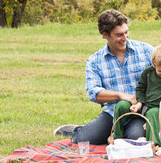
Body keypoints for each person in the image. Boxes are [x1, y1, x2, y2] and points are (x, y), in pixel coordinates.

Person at [54, 9, 154, 144]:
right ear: (105, 35)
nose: (125, 37)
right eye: (119, 35)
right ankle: (77, 130)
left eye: (126, 32)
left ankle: (121, 133)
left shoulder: (146, 51)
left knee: (134, 139)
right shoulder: (95, 61)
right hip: (112, 112)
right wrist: (120, 96)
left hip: (139, 112)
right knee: (84, 139)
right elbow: (93, 93)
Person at [112, 44, 161, 146]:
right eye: (160, 71)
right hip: (143, 104)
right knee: (121, 106)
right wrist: (139, 103)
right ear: (154, 65)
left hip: (157, 108)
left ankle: (153, 144)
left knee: (153, 113)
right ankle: (117, 136)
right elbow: (140, 89)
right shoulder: (148, 73)